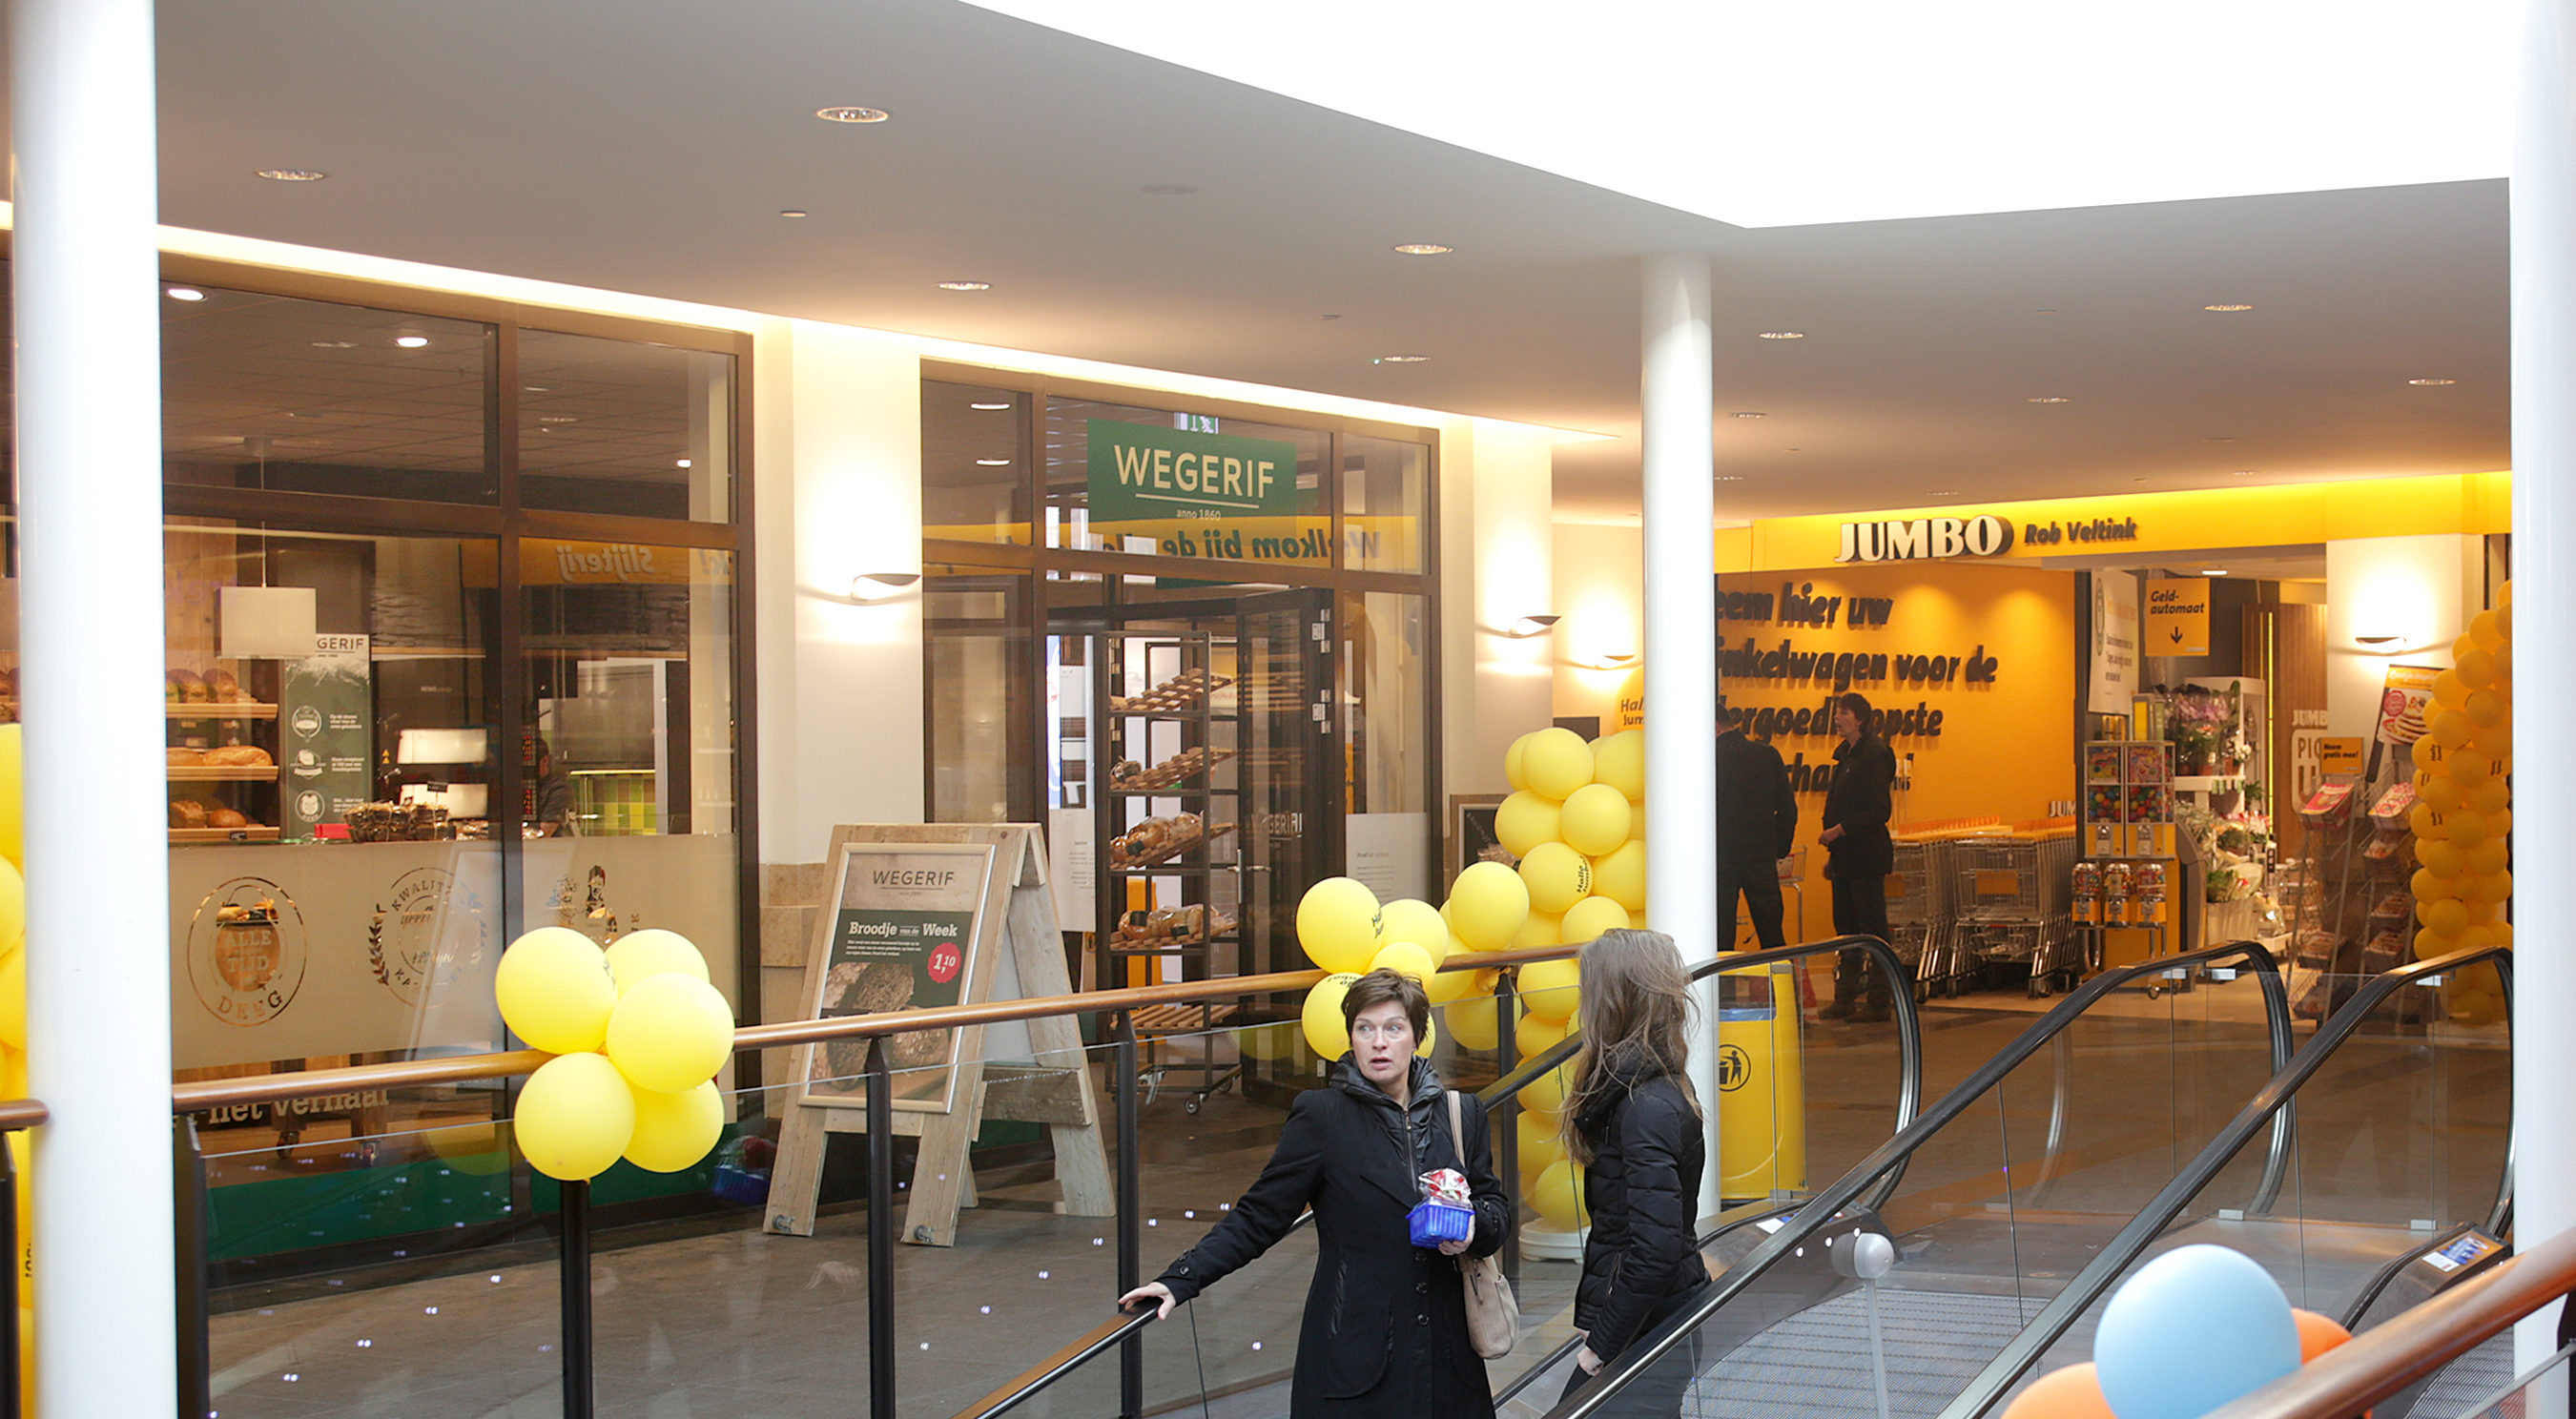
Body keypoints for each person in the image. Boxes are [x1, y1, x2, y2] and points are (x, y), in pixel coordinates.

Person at [1121, 969, 1511, 1419]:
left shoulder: (1462, 1114)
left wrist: (1470, 1228)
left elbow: (1495, 1210)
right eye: (1364, 1029)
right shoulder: (1322, 1116)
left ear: (1417, 1036)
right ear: (1351, 1038)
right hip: (1357, 1359)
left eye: (1393, 1028)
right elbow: (1260, 1215)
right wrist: (1181, 1279)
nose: (1378, 1043)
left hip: (1448, 1361)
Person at [1559, 929, 1710, 1417]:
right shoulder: (1644, 1090)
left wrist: (1601, 1345)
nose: (1583, 1006)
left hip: (1651, 1327)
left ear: (1615, 1002)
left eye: (1589, 992)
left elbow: (1655, 1249)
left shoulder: (1645, 1106)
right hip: (1649, 1321)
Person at [1818, 691, 1896, 1022]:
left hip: (1866, 856)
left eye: (1844, 713)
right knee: (1846, 929)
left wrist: (1840, 830)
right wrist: (1834, 854)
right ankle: (1845, 997)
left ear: (1860, 719)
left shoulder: (1875, 754)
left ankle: (1879, 1001)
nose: (1837, 718)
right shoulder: (1846, 755)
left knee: (1872, 929)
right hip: (1845, 859)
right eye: (1837, 712)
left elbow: (1879, 810)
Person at [1713, 697, 1798, 952]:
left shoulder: (1708, 759)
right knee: (1772, 933)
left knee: (1721, 936)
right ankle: (1780, 976)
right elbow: (1788, 809)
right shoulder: (1767, 755)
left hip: (1720, 858)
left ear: (1715, 727)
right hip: (1760, 856)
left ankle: (1723, 977)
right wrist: (1779, 848)